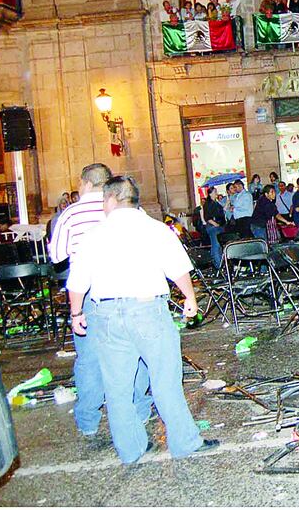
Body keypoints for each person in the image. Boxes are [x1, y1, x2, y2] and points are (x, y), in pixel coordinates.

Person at [67, 176, 218, 465]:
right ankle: (184, 442)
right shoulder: (155, 229)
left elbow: (77, 282)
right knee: (165, 378)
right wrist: (190, 299)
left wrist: (76, 314)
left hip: (107, 315)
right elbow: (177, 269)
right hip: (148, 311)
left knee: (117, 386)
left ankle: (131, 449)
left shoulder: (93, 235)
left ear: (110, 200)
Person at [50, 164, 152, 442]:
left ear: (85, 183)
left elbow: (57, 256)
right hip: (131, 288)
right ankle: (140, 409)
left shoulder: (69, 213)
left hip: (89, 291)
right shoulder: (130, 210)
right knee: (135, 351)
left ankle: (88, 420)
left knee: (90, 358)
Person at [202, 186, 226, 268]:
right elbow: (207, 217)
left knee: (217, 245)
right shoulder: (209, 204)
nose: (216, 193)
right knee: (216, 245)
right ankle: (218, 265)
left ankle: (218, 263)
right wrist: (215, 224)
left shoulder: (215, 203)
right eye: (215, 192)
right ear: (210, 193)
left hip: (218, 226)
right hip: (214, 227)